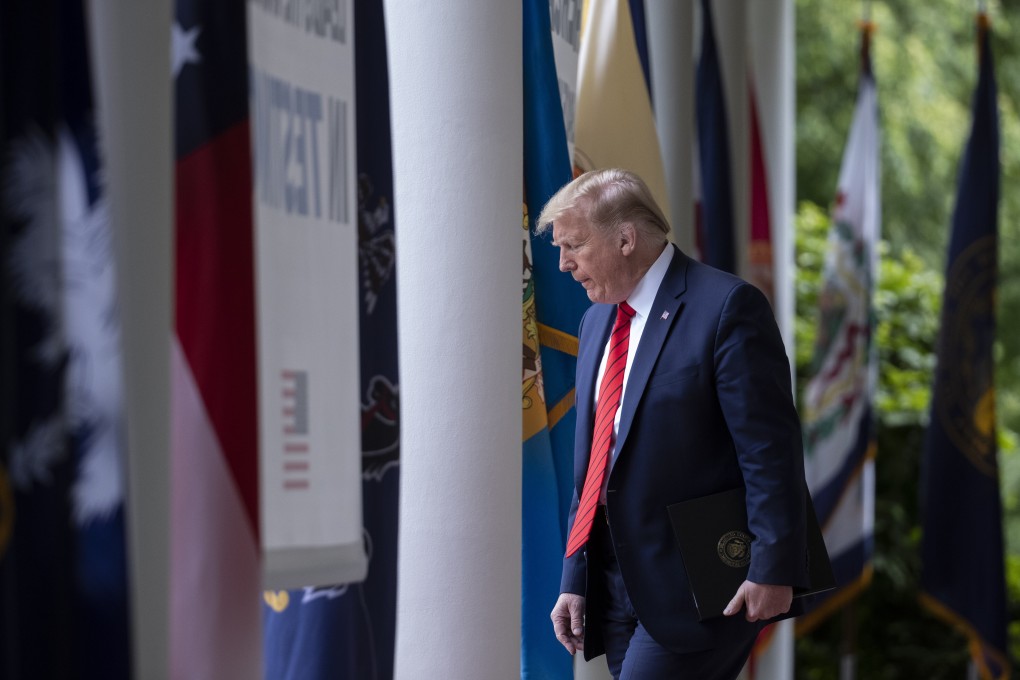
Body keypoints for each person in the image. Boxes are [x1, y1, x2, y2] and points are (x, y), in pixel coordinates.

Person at [537, 168, 809, 679]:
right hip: (614, 585)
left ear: (625, 239)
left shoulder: (727, 307)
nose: (563, 263)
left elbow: (769, 452)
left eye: (574, 245)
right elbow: (594, 464)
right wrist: (575, 576)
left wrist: (775, 567)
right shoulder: (595, 320)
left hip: (701, 583)